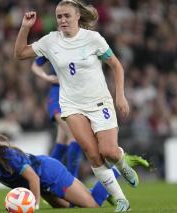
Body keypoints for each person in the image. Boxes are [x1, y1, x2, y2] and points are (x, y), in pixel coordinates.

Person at [14, 0, 137, 211]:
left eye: (66, 16)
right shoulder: (51, 41)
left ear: (78, 16)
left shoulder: (93, 39)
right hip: (71, 105)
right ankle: (121, 200)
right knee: (92, 153)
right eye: (59, 16)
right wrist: (25, 27)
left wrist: (120, 95)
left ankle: (121, 160)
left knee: (109, 152)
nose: (62, 20)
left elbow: (116, 65)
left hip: (99, 102)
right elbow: (20, 54)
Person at [0, 127, 112, 212]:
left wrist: (33, 205)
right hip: (39, 185)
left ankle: (116, 169)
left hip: (49, 173)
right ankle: (96, 192)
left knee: (91, 206)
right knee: (66, 207)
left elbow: (33, 177)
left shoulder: (9, 156)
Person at [31, 56, 82, 177]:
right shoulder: (53, 43)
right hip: (58, 96)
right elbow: (35, 65)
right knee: (74, 137)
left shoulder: (80, 43)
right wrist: (47, 77)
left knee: (62, 142)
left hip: (74, 96)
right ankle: (73, 181)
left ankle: (44, 178)